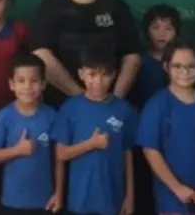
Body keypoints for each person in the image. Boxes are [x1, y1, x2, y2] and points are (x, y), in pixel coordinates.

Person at [30, 0, 142, 106]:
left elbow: (132, 56)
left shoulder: (114, 5)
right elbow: (41, 54)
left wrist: (115, 101)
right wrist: (81, 98)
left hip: (110, 102)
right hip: (62, 103)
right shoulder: (52, 5)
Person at [136, 44, 195, 215]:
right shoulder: (157, 104)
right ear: (166, 67)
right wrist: (176, 188)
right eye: (177, 66)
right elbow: (150, 150)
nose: (185, 71)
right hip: (171, 195)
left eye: (191, 66)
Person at [52, 47, 137, 215]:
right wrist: (91, 144)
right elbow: (61, 154)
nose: (98, 81)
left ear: (114, 75)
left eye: (104, 75)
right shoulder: (70, 108)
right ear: (81, 74)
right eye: (92, 74)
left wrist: (130, 196)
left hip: (113, 200)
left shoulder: (124, 110)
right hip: (79, 201)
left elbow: (127, 154)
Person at [0, 53, 63, 215]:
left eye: (34, 81)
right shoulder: (4, 116)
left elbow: (59, 157)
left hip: (44, 201)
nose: (27, 87)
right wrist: (18, 150)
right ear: (11, 84)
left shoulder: (52, 116)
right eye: (21, 81)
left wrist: (59, 193)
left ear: (43, 84)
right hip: (13, 202)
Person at [128, 3, 181, 215]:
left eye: (168, 28)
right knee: (144, 188)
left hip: (177, 137)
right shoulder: (137, 62)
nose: (162, 34)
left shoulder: (185, 62)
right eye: (156, 28)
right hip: (144, 136)